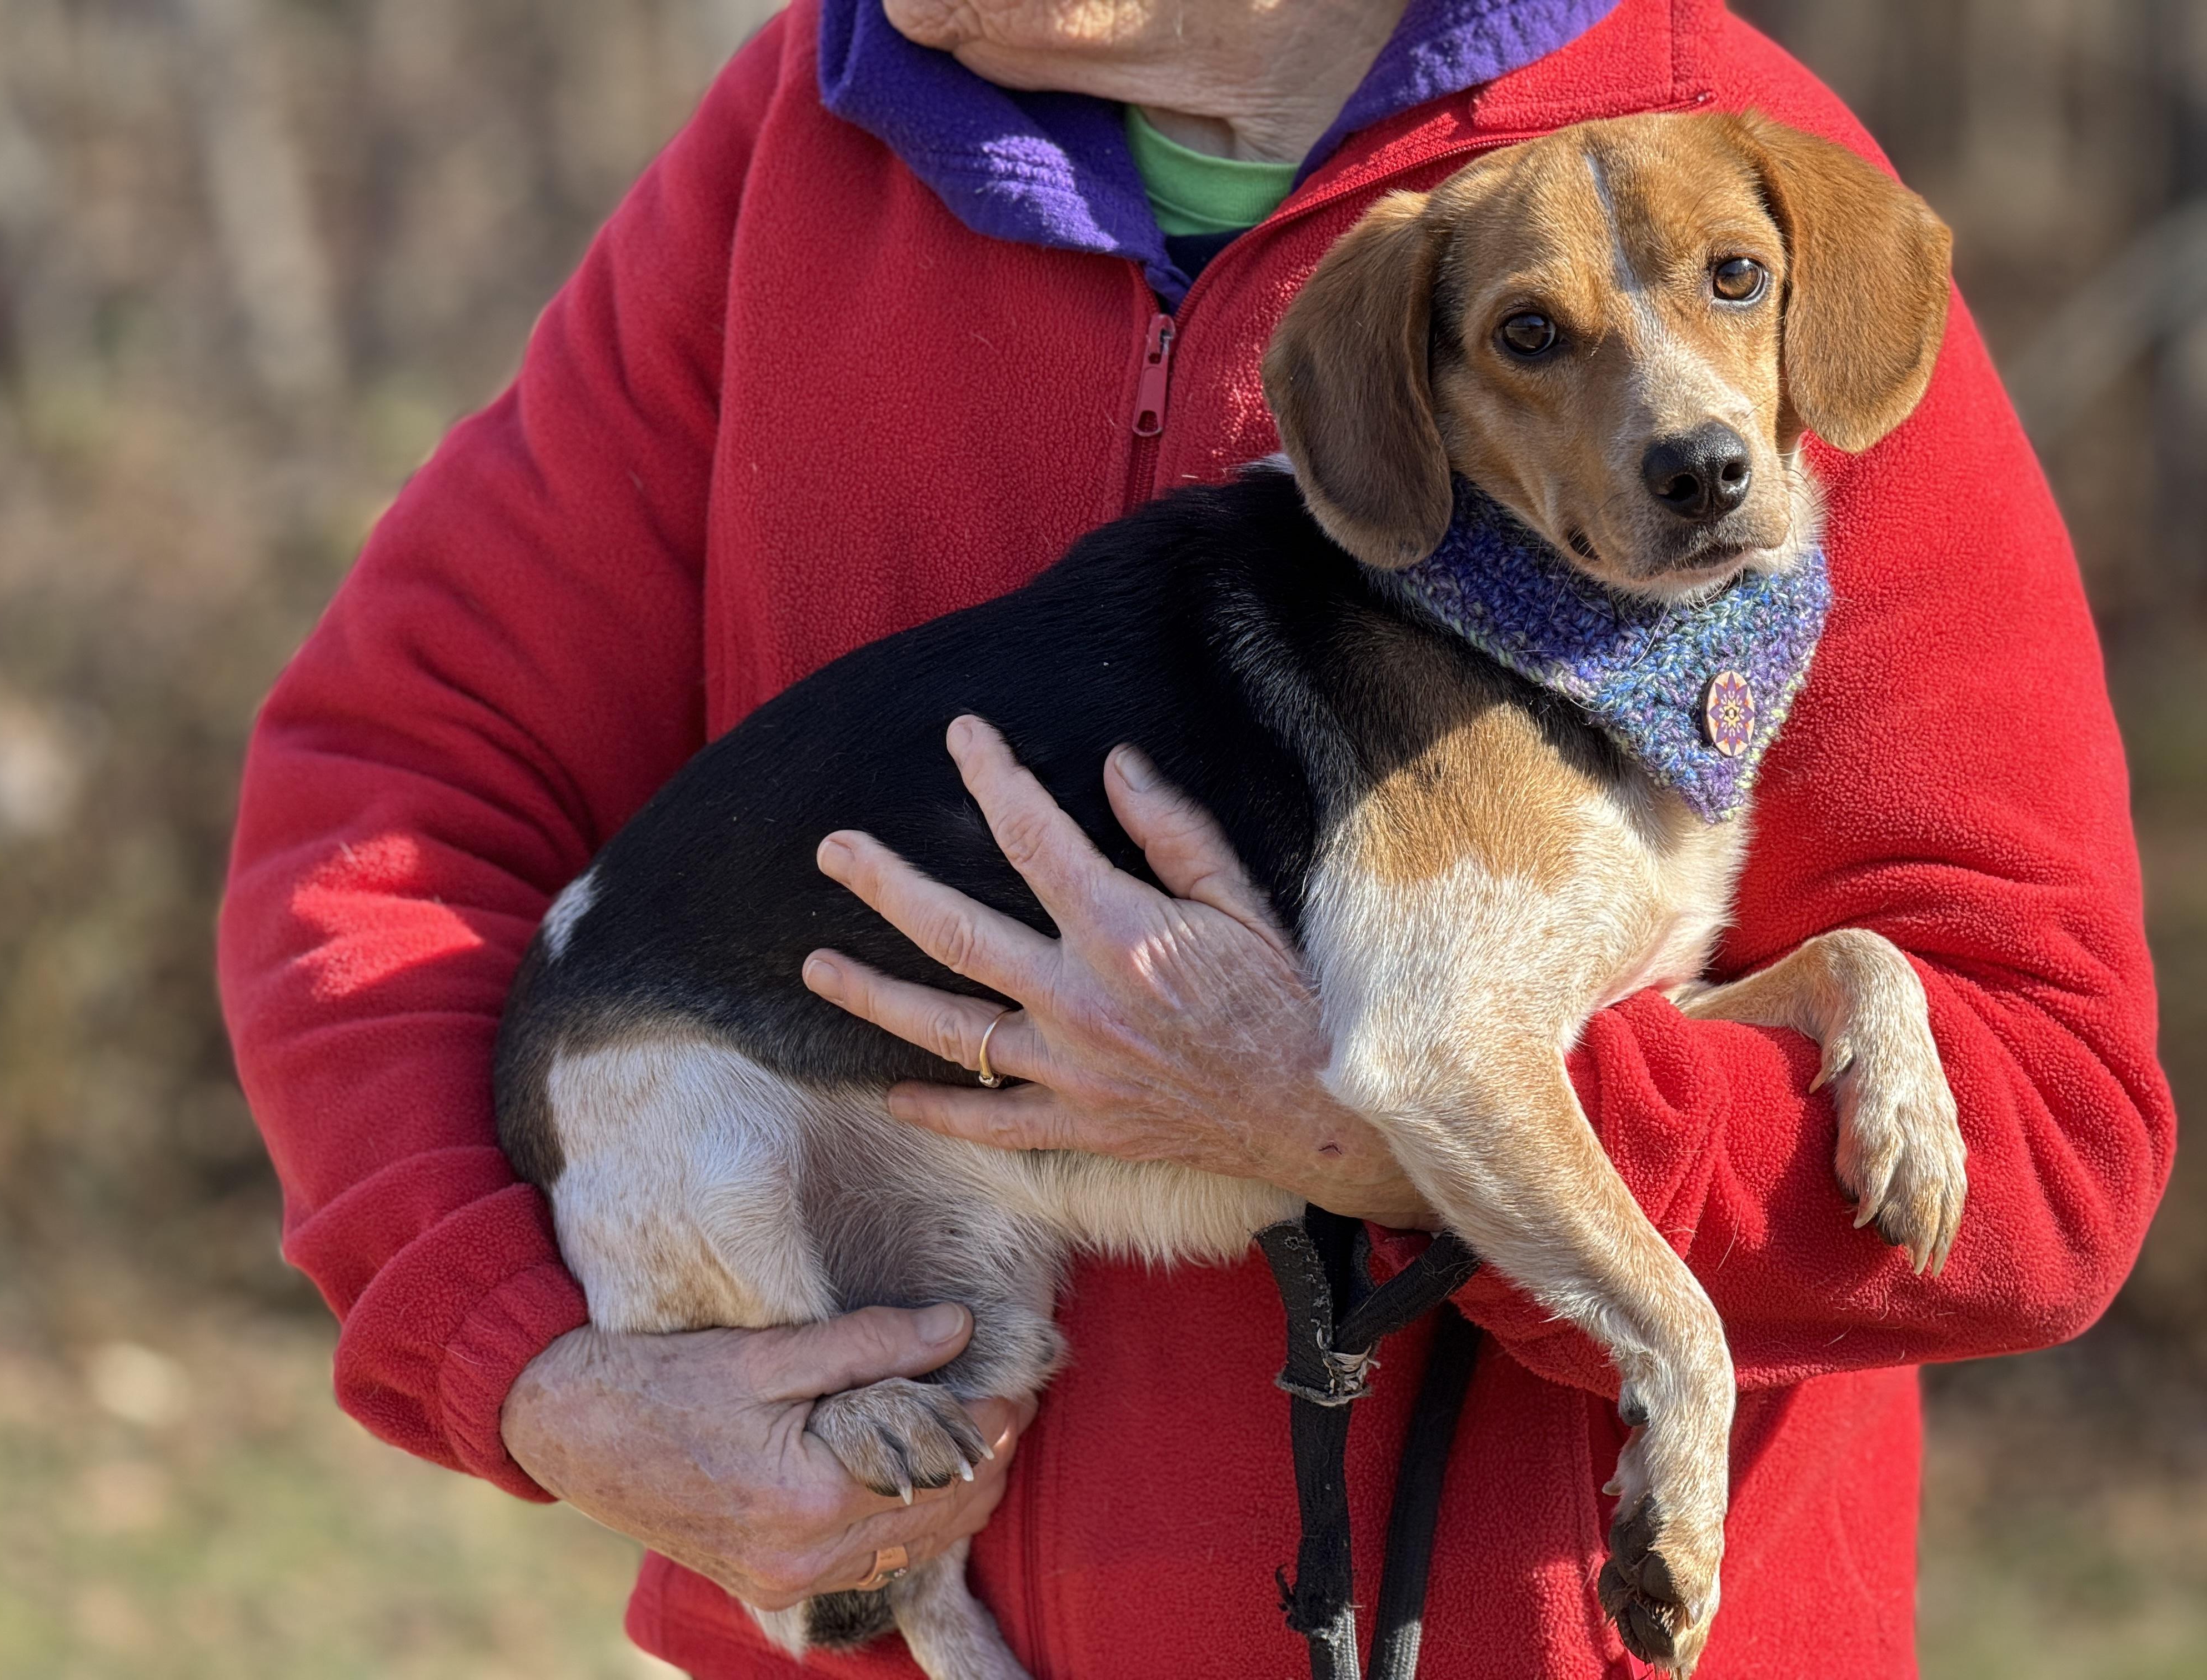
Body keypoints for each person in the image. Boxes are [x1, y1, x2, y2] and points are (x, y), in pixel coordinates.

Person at [217, 2, 2173, 1675]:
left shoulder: (1727, 194)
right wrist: (531, 1364)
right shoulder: (806, 144)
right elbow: (388, 792)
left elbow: (2054, 1147)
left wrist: (1370, 1123)